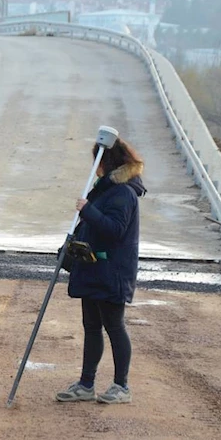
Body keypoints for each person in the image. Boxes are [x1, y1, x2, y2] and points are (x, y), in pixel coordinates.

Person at [56, 137, 146, 405]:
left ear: (106, 162)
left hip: (112, 272)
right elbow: (92, 227)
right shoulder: (105, 190)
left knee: (114, 327)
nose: (94, 168)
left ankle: (122, 386)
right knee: (92, 327)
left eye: (97, 160)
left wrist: (88, 211)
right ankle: (86, 384)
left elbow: (115, 229)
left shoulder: (123, 193)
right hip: (93, 268)